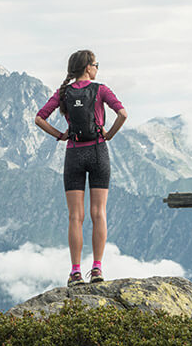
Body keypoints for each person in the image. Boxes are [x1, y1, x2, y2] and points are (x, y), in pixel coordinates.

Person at [34, 49, 127, 286]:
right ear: (88, 67)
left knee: (76, 216)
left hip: (74, 154)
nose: (97, 68)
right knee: (99, 213)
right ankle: (97, 269)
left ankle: (75, 272)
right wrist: (109, 135)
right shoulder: (101, 90)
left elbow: (39, 118)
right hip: (98, 152)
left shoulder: (63, 93)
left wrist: (60, 135)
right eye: (96, 64)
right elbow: (123, 114)